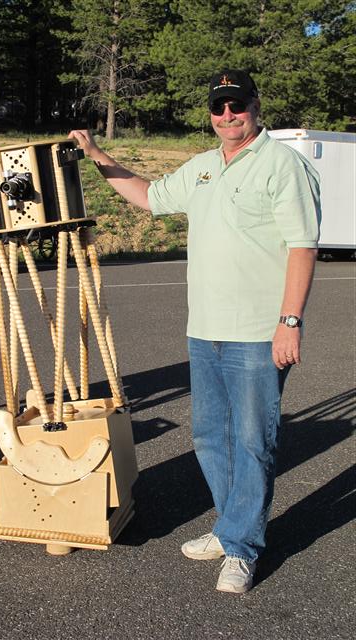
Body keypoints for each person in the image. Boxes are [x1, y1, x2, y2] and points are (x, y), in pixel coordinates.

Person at [69, 68, 321, 594]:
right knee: (210, 438)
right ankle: (231, 528)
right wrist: (98, 156)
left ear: (255, 104)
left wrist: (289, 322)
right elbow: (148, 196)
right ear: (210, 113)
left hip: (257, 333)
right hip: (204, 330)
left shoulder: (282, 165)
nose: (228, 115)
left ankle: (243, 547)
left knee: (253, 443)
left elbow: (303, 247)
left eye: (237, 104)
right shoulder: (203, 168)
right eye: (218, 107)